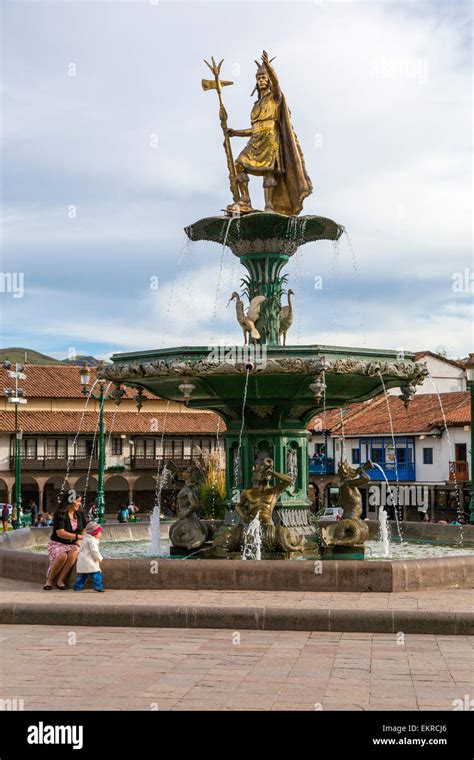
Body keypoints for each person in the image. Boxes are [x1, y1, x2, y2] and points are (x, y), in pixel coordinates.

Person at [43, 493, 86, 590]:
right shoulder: (60, 513)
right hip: (57, 543)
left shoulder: (80, 513)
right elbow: (60, 533)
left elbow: (84, 529)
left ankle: (60, 581)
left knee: (74, 553)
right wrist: (78, 536)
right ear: (71, 501)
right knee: (62, 556)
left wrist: (79, 541)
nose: (80, 504)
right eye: (78, 501)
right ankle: (49, 580)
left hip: (72, 543)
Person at [74, 521, 104, 592]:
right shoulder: (92, 541)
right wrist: (99, 558)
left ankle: (77, 587)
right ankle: (98, 587)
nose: (100, 534)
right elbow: (94, 551)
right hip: (90, 562)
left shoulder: (85, 539)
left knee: (83, 576)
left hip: (82, 561)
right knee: (97, 575)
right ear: (95, 532)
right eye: (100, 532)